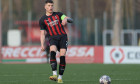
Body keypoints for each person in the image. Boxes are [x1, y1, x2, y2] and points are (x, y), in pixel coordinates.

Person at [39, 0, 72, 83]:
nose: (51, 7)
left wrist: (65, 19)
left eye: (52, 5)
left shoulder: (58, 14)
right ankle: (54, 74)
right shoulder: (42, 20)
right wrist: (42, 44)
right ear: (45, 7)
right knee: (52, 52)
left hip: (63, 37)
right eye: (49, 5)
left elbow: (66, 17)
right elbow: (42, 33)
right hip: (52, 38)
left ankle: (60, 78)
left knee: (62, 56)